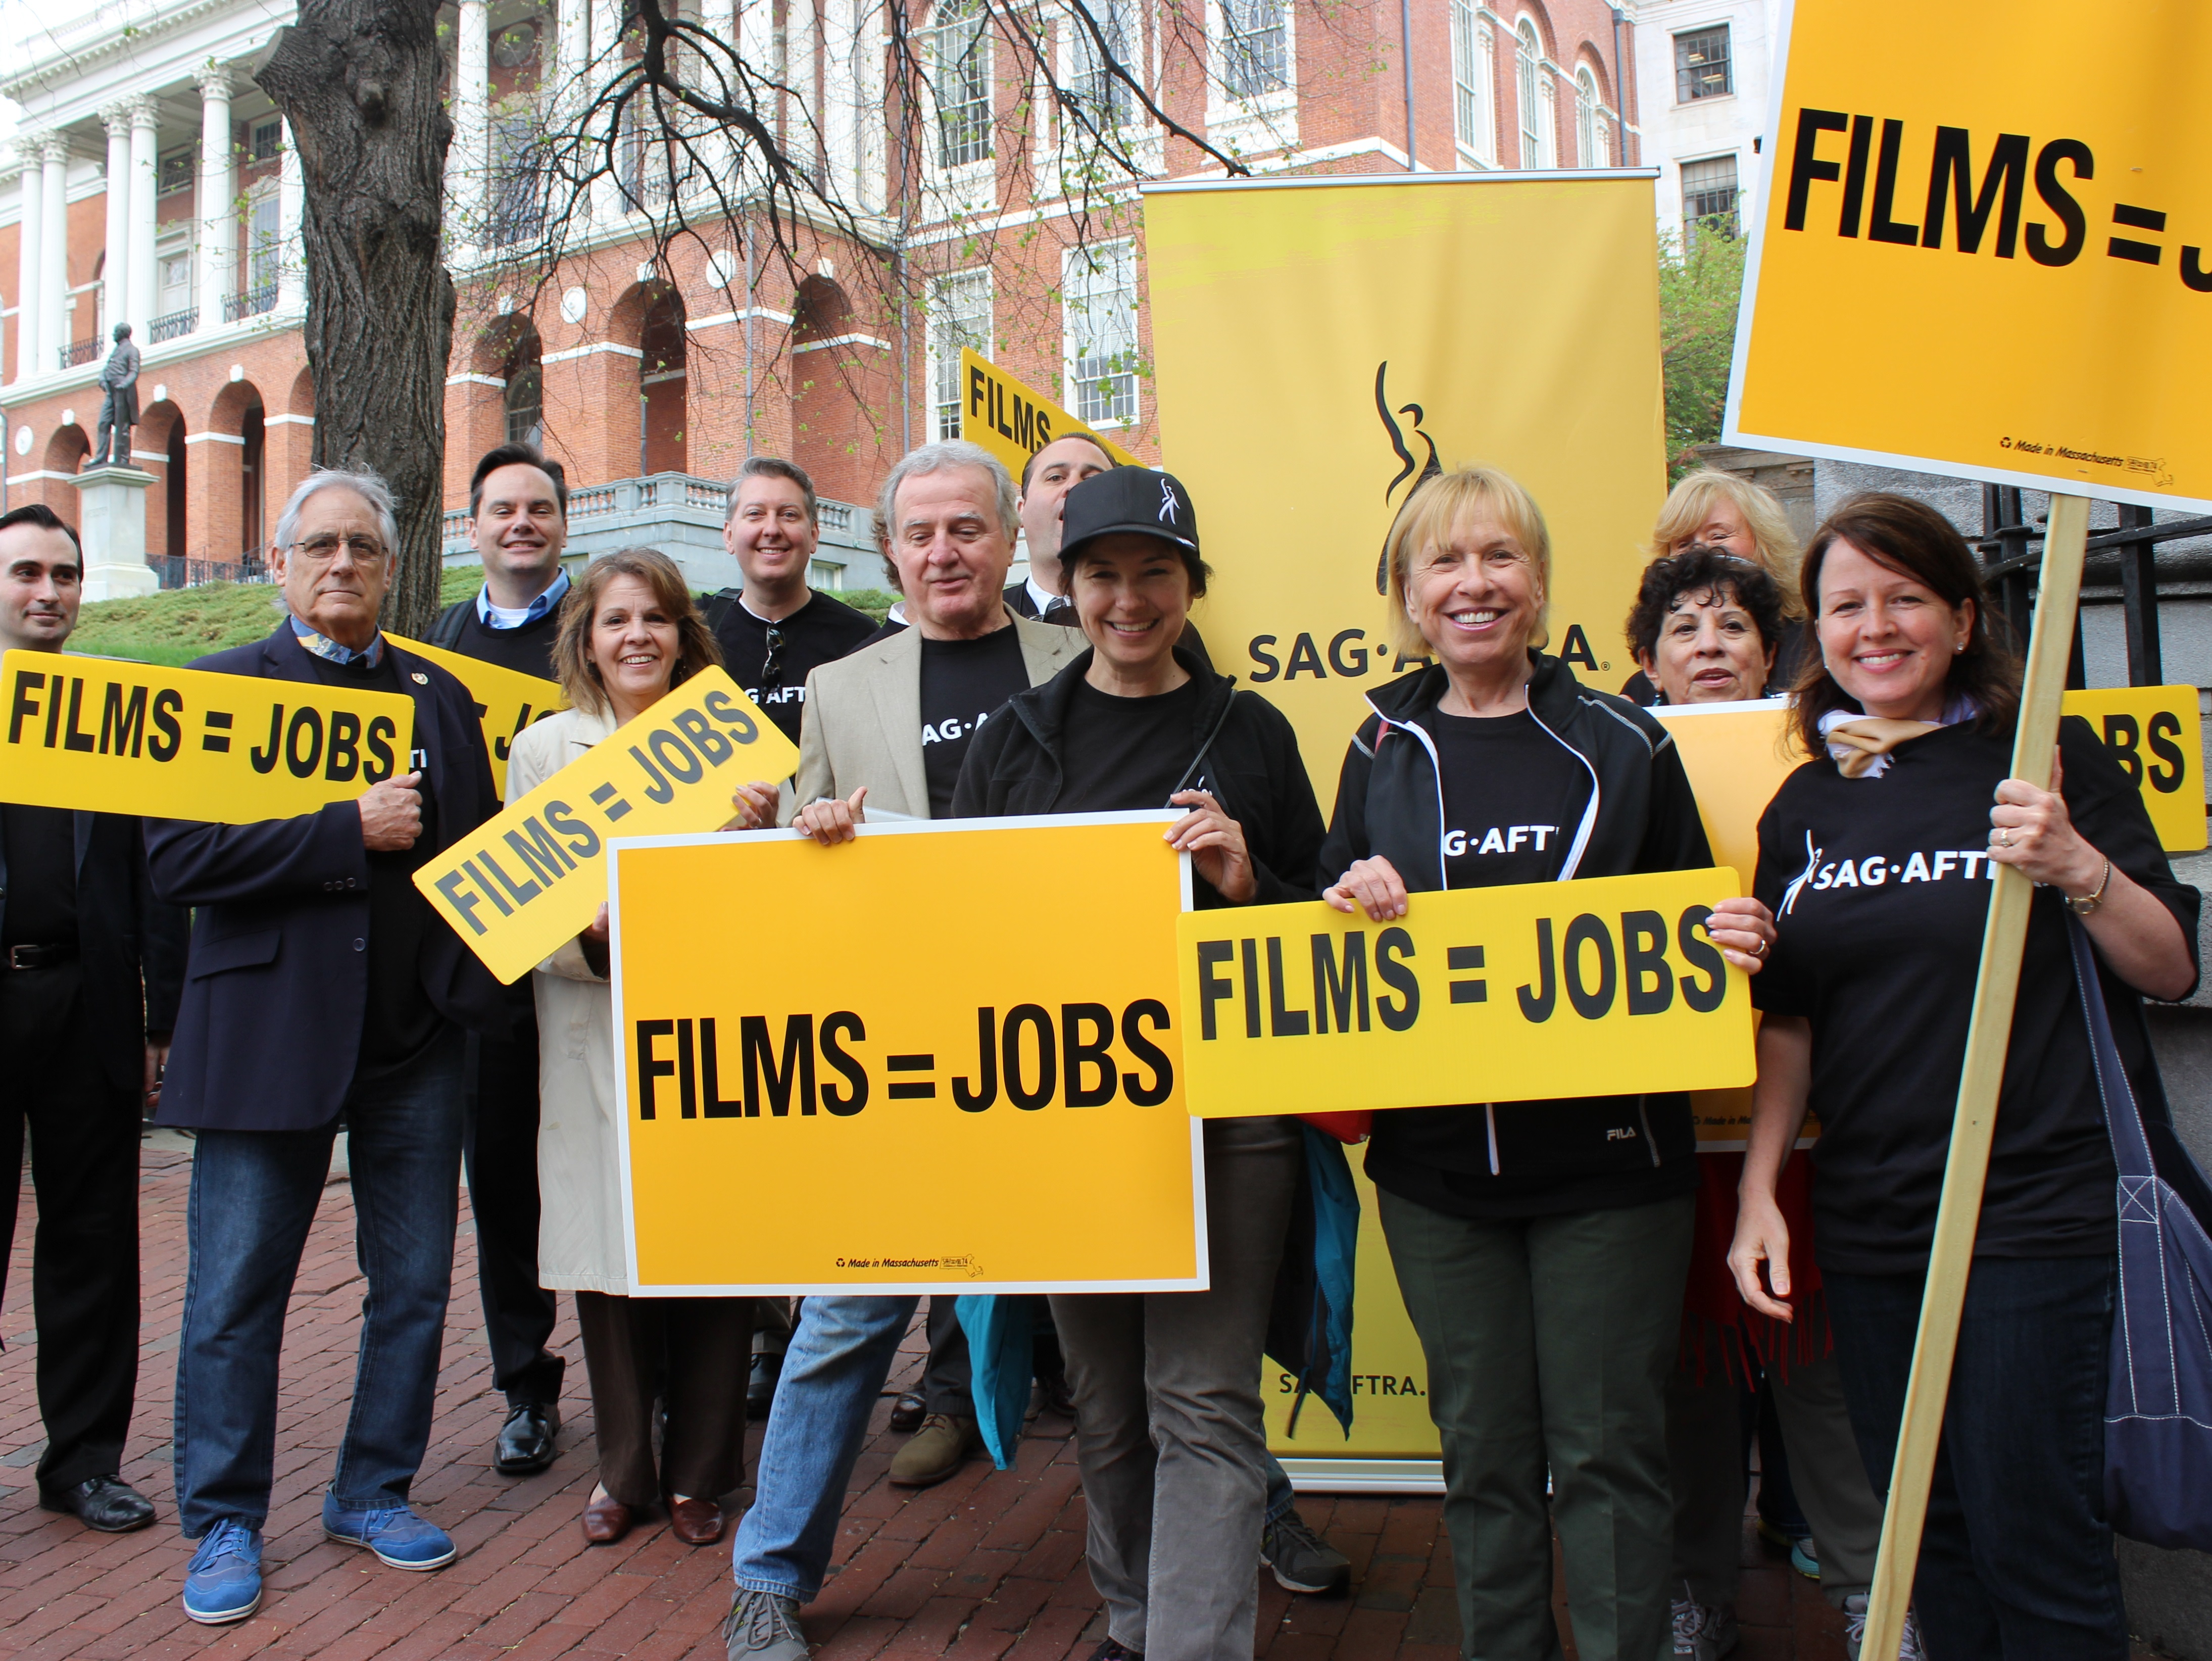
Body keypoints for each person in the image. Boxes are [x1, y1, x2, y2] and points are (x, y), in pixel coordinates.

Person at [1319, 466, 1778, 1661]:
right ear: (1409, 595)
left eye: (1499, 557)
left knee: (1608, 1450)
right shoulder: (1375, 746)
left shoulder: (1625, 739)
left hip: (1612, 1169)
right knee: (1479, 1454)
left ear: (1536, 584)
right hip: (1436, 1177)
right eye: (1445, 562)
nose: (1474, 583)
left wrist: (1731, 936)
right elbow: (1319, 955)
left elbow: (1693, 934)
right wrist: (1346, 898)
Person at [1730, 493, 2198, 1659]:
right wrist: (1754, 1197)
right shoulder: (1806, 804)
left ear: (1958, 614)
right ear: (1815, 631)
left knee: (2035, 1545)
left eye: (1902, 598)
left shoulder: (2040, 755)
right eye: (1845, 605)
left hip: (2033, 1211)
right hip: (1876, 1220)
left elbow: (2170, 964)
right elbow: (1790, 1024)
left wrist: (2076, 865)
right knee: (1923, 1546)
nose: (1872, 627)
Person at [953, 465, 1329, 1661]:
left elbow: (1322, 933)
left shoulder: (1255, 732)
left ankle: (1193, 1644)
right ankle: (1132, 1622)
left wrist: (1243, 883)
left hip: (1229, 1119)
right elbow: (950, 935)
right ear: (1064, 586)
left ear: (1189, 583)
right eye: (1101, 573)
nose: (1128, 598)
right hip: (1072, 1126)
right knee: (1109, 1410)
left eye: (1154, 573)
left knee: (1205, 1401)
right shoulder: (1012, 741)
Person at [719, 439, 1081, 1660]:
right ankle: (767, 1572)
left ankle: (1253, 1518)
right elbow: (799, 894)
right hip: (905, 1057)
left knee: (1143, 1308)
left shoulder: (1079, 652)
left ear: (1006, 536)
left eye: (966, 528)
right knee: (844, 1311)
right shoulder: (842, 685)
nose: (943, 552)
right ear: (887, 550)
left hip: (1061, 1044)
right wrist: (807, 836)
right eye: (919, 532)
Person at [148, 468, 509, 1626]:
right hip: (268, 1039)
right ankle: (222, 1518)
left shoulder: (437, 695)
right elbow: (178, 861)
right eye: (318, 545)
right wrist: (339, 829)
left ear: (392, 564)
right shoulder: (218, 691)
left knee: (410, 1286)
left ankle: (372, 1489)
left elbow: (484, 859)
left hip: (412, 1046)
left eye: (362, 544)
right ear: (277, 563)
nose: (342, 562)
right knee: (235, 1291)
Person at [1624, 551, 1891, 1659]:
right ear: (1644, 660)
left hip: (1808, 1128)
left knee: (1817, 1371)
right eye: (1681, 629)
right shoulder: (1605, 764)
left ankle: (1876, 1596)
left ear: (1770, 650)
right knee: (1682, 1380)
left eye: (1730, 626)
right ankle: (1695, 1594)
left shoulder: (1840, 768)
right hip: (1661, 1133)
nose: (1706, 646)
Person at [510, 546, 754, 1548]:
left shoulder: (733, 744)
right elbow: (522, 914)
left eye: (653, 618)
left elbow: (780, 910)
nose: (636, 637)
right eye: (615, 621)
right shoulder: (544, 750)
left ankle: (701, 1473)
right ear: (587, 641)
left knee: (709, 1240)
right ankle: (623, 1473)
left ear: (682, 632)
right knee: (607, 1257)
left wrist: (762, 840)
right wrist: (593, 938)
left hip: (709, 1033)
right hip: (594, 1031)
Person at [0, 503, 187, 1535]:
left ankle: (82, 1461)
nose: (49, 592)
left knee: (91, 1245)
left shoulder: (114, 713)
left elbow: (158, 878)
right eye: (27, 572)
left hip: (93, 1008)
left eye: (64, 575)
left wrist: (162, 1020)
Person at [427, 441, 573, 1480]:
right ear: (472, 527)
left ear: (563, 522)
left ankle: (655, 1374)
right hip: (486, 971)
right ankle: (525, 1385)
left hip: (605, 959)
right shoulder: (431, 652)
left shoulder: (609, 623)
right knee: (505, 1188)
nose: (519, 523)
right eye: (500, 510)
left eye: (537, 508)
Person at [701, 457, 879, 746]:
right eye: (755, 514)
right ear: (729, 535)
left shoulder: (859, 638)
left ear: (813, 536)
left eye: (789, 515)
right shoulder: (696, 632)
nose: (772, 530)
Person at [1623, 471, 1804, 707]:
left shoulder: (1818, 657)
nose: (1701, 550)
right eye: (1684, 543)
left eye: (1719, 536)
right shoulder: (1641, 692)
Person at [1005, 431, 1116, 621]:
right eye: (1055, 477)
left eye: (1091, 480)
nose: (1074, 486)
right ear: (1021, 511)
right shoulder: (979, 625)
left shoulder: (1159, 628)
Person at [91, 323, 139, 468]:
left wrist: (123, 384)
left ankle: (123, 460)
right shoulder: (116, 350)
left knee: (122, 427)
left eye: (115, 332)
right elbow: (107, 369)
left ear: (122, 333)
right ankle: (101, 458)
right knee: (103, 423)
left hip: (123, 393)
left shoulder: (132, 350)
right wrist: (102, 379)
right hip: (111, 392)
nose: (113, 335)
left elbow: (134, 371)